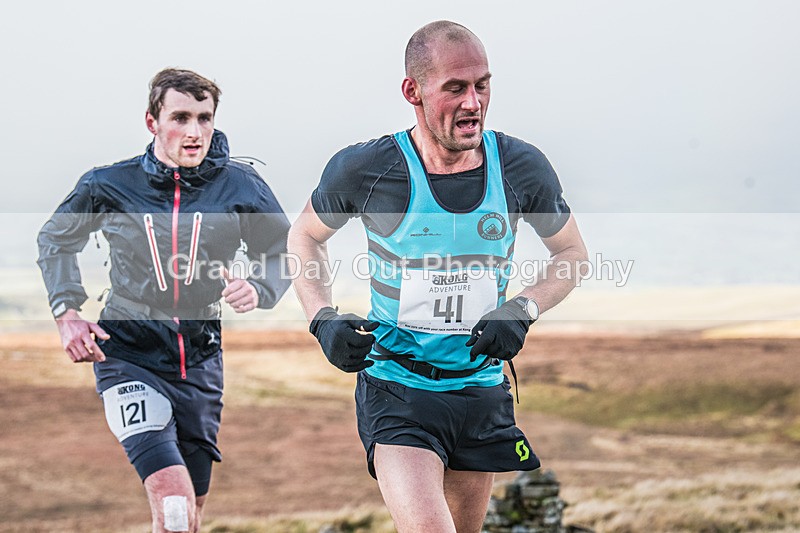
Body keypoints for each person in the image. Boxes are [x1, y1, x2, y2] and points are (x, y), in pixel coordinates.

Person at [288, 20, 589, 533]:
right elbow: (304, 237)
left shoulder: (520, 167)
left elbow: (572, 255)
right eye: (455, 88)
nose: (473, 102)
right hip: (398, 390)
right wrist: (323, 321)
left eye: (482, 85)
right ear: (413, 91)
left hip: (480, 389)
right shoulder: (368, 169)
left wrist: (522, 308)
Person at [37, 68, 290, 533]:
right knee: (173, 503)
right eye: (180, 118)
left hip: (201, 361)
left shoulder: (242, 186)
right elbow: (55, 239)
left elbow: (281, 254)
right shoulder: (107, 184)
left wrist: (260, 287)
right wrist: (66, 313)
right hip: (127, 354)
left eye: (204, 118)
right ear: (152, 121)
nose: (194, 132)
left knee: (188, 515)